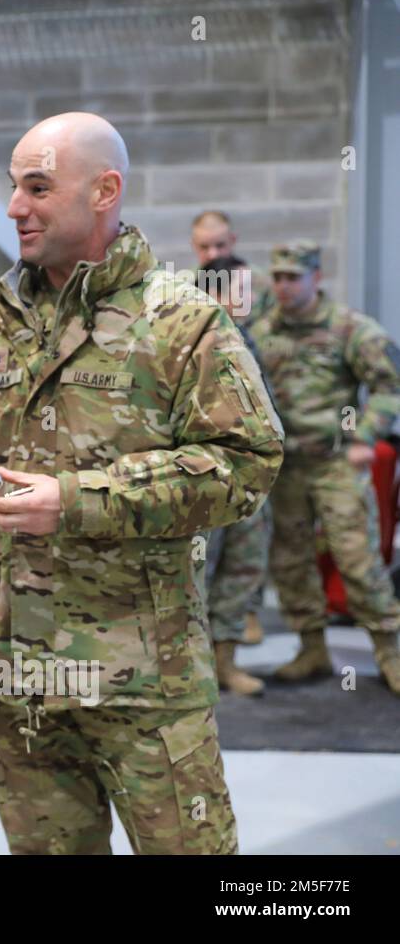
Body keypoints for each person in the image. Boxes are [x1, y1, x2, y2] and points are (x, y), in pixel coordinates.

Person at [0, 113, 284, 854]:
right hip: (10, 670)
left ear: (104, 190)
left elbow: (244, 464)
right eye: (14, 186)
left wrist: (76, 501)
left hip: (139, 680)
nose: (15, 206)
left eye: (38, 187)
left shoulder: (182, 322)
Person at [248, 241, 400, 695]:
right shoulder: (262, 328)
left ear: (316, 278)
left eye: (294, 277)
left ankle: (389, 651)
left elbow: (390, 383)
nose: (284, 286)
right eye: (278, 277)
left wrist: (366, 437)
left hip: (335, 462)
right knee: (290, 561)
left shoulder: (350, 328)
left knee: (356, 558)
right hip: (285, 466)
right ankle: (311, 648)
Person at [194, 255, 271, 696]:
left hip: (249, 482)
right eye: (238, 289)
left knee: (242, 572)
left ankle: (225, 663)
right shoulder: (185, 341)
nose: (248, 299)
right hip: (203, 484)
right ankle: (191, 673)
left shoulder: (244, 339)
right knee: (195, 576)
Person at [190, 210, 270, 328]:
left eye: (220, 245)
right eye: (204, 247)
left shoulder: (260, 281)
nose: (213, 254)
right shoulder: (185, 285)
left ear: (232, 240)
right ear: (194, 245)